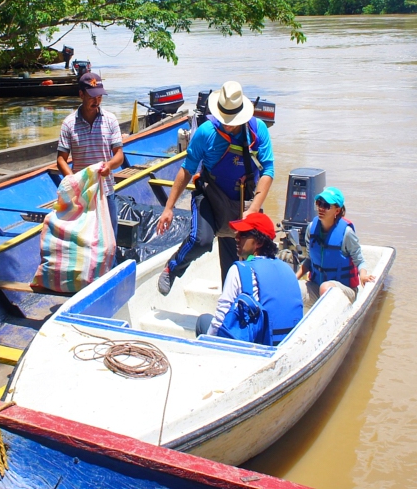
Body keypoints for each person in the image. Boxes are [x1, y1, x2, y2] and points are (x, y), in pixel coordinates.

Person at [155, 81, 275, 295]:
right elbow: (186, 170)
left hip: (243, 203)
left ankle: (232, 307)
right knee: (201, 241)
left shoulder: (258, 132)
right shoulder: (206, 132)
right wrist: (169, 207)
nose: (228, 124)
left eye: (233, 120)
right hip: (210, 196)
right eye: (225, 119)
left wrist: (254, 208)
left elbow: (268, 171)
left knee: (238, 267)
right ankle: (172, 268)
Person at [195, 212, 302, 343]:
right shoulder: (288, 269)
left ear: (259, 242)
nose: (237, 237)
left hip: (255, 348)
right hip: (284, 345)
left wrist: (207, 341)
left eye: (243, 234)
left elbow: (220, 319)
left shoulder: (239, 270)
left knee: (203, 321)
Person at [56, 71, 124, 238]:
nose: (97, 101)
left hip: (106, 191)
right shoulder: (69, 124)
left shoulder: (110, 120)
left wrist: (110, 165)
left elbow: (119, 155)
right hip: (81, 195)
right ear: (81, 94)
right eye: (92, 96)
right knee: (84, 240)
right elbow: (61, 160)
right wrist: (72, 182)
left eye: (99, 96)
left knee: (109, 240)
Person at [296, 187, 374, 308]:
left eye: (326, 205)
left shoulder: (346, 233)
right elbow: (309, 260)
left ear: (337, 210)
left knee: (326, 288)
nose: (321, 208)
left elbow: (360, 261)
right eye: (319, 203)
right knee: (293, 287)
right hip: (317, 286)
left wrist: (363, 276)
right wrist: (293, 278)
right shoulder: (311, 228)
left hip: (344, 291)